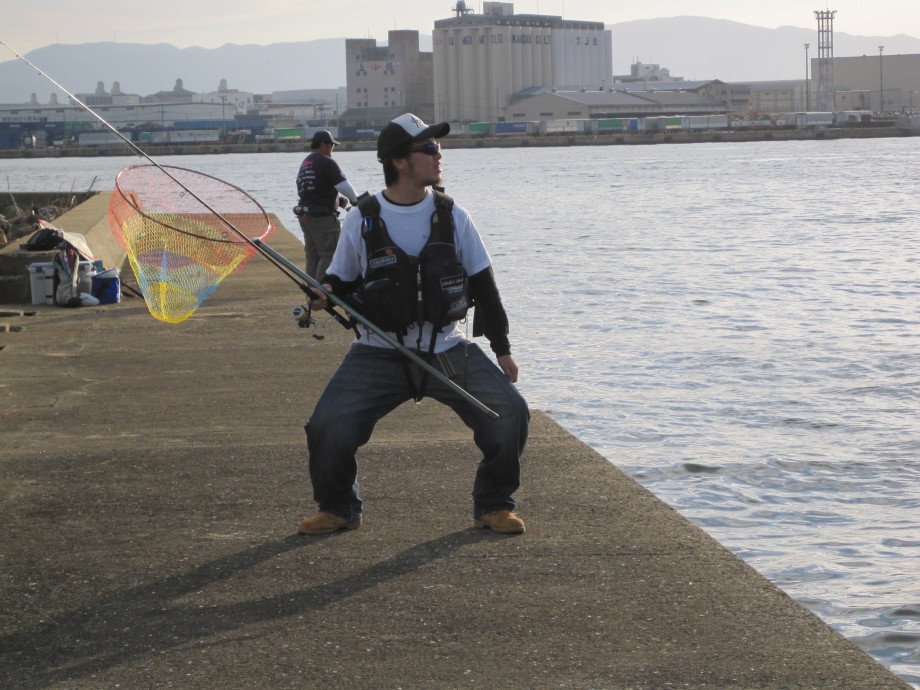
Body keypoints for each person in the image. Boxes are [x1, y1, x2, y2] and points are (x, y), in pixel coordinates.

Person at [298, 113, 530, 536]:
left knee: (511, 412)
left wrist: (502, 347)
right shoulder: (360, 218)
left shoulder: (454, 215)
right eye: (429, 148)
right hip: (379, 350)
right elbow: (341, 279)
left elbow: (485, 285)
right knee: (327, 427)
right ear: (400, 162)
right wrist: (322, 292)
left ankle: (494, 505)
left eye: (437, 147)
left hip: (445, 348)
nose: (438, 154)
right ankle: (338, 508)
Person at [294, 130, 359, 278]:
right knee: (330, 254)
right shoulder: (326, 161)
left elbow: (313, 189)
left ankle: (312, 294)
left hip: (305, 215)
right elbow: (343, 186)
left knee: (313, 256)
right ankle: (322, 294)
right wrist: (356, 201)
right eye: (331, 146)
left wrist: (337, 200)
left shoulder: (306, 162)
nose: (332, 150)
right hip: (322, 218)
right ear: (323, 145)